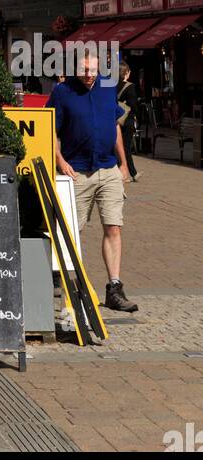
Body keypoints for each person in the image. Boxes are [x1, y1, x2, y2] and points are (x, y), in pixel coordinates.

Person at [47, 49, 137, 313]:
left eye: (93, 70)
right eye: (84, 70)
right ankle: (68, 286)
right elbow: (49, 128)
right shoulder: (62, 92)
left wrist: (123, 164)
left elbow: (114, 126)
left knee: (113, 227)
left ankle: (115, 288)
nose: (89, 75)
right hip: (76, 171)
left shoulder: (107, 88)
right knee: (73, 231)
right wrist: (60, 161)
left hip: (107, 169)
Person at [117, 62, 140, 182]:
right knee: (126, 147)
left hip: (115, 120)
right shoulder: (130, 87)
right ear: (126, 73)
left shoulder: (111, 85)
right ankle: (131, 172)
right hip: (127, 120)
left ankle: (128, 171)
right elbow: (134, 105)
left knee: (117, 147)